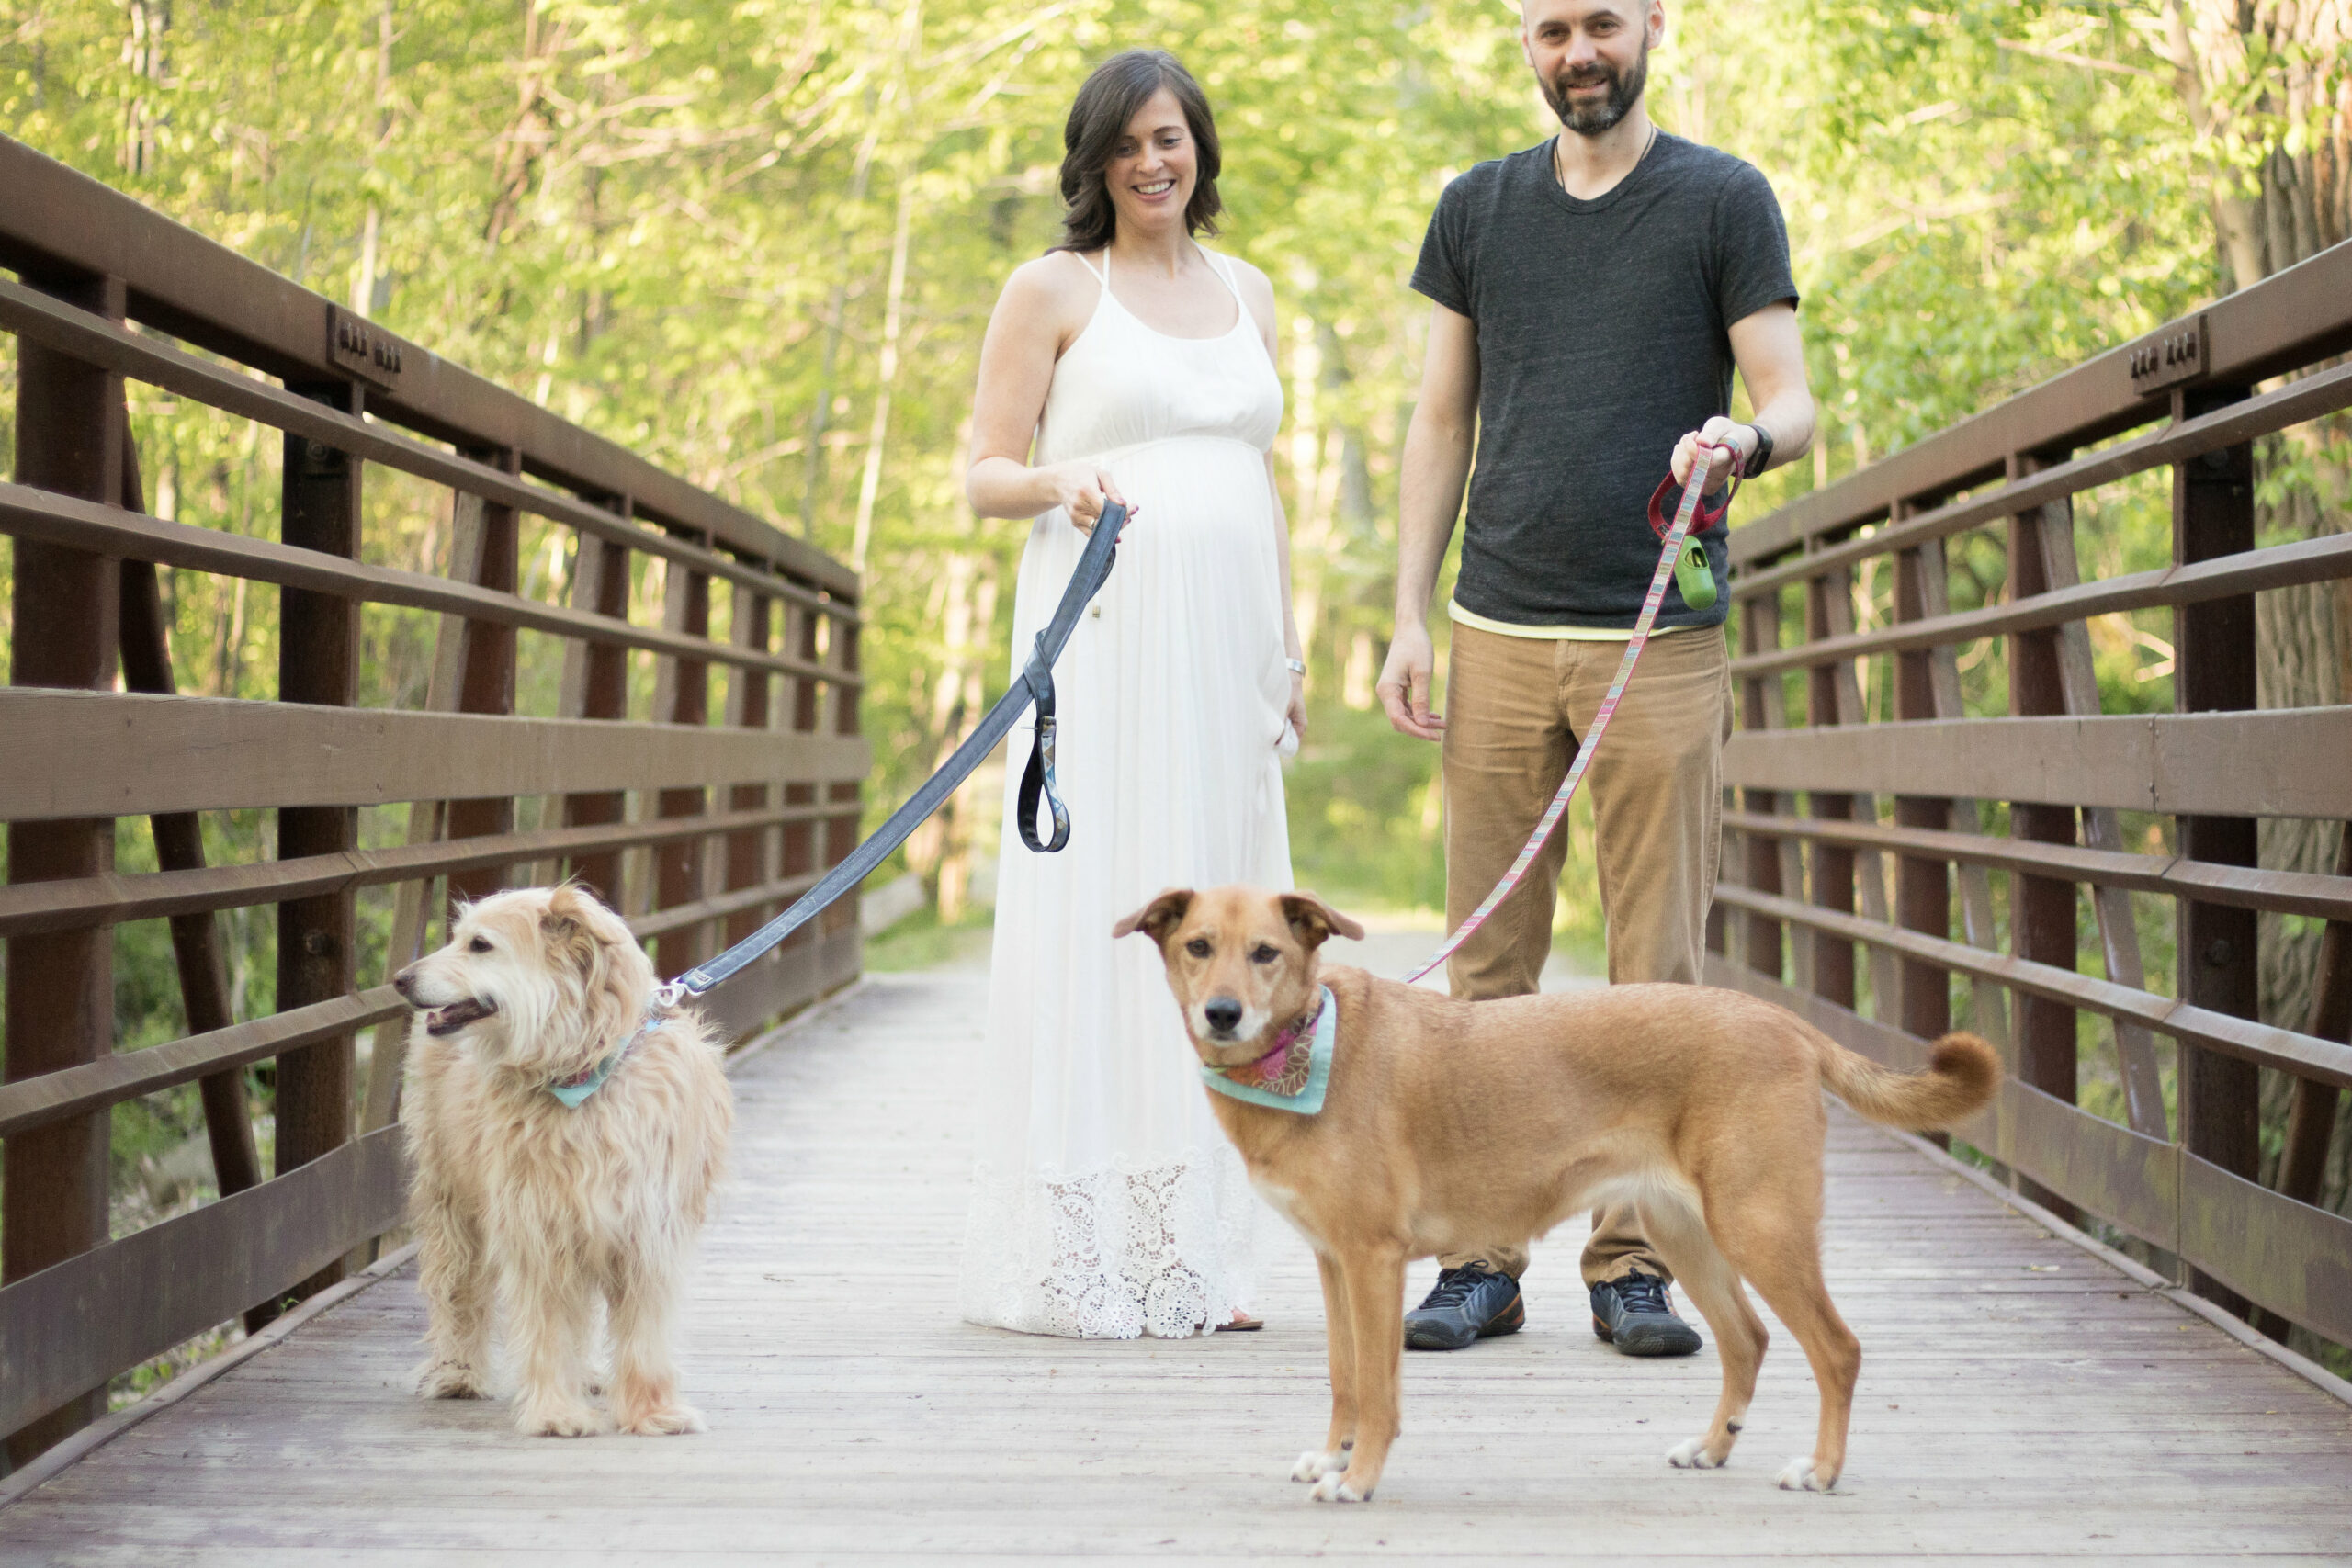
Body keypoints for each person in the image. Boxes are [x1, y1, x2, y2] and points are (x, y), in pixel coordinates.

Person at [1376, 0, 1816, 1356]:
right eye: (1556, 27)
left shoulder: (1722, 199)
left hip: (1656, 639)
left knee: (1654, 977)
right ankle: (1481, 1260)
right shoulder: (1477, 210)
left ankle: (1631, 1266)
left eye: (1605, 24)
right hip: (1495, 626)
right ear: (1525, 40)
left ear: (1654, 29)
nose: (1582, 51)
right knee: (1485, 980)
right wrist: (1405, 614)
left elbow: (1793, 396)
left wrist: (1743, 440)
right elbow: (1442, 418)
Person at [956, 50, 1308, 1338]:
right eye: (1126, 147)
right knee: (1115, 915)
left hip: (1224, 661)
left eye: (1170, 139)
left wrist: (1288, 652)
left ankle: (1205, 1254)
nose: (1153, 164)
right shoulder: (1055, 288)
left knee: (1230, 925)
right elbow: (985, 470)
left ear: (1199, 146)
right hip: (1107, 643)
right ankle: (1084, 1252)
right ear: (1094, 165)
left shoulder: (1250, 289)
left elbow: (1258, 487)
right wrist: (1064, 482)